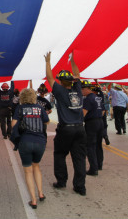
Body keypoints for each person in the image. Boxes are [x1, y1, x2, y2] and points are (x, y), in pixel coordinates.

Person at [45, 51, 86, 196]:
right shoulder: (78, 90)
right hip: (80, 128)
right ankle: (80, 187)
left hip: (66, 129)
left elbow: (50, 78)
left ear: (61, 82)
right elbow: (78, 74)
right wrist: (73, 61)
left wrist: (48, 62)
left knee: (60, 154)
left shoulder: (60, 91)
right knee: (79, 158)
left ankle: (61, 181)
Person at [12, 88, 49, 209]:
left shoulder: (20, 108)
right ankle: (41, 193)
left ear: (22, 97)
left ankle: (33, 200)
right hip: (40, 142)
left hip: (25, 141)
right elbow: (47, 122)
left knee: (28, 171)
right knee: (36, 166)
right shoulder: (40, 108)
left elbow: (13, 124)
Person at [81, 80, 104, 176]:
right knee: (98, 144)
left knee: (90, 145)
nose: (81, 91)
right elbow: (103, 111)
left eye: (82, 89)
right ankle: (99, 164)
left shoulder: (87, 99)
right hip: (100, 121)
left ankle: (93, 169)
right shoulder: (97, 98)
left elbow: (83, 114)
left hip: (91, 123)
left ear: (86, 89)